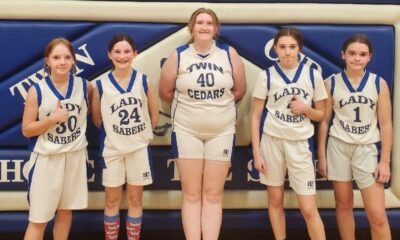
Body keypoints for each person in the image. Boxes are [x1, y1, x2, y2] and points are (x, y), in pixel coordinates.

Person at [159, 7, 246, 240]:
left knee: (214, 194)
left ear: (215, 28)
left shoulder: (229, 54)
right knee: (191, 193)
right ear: (192, 27)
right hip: (187, 130)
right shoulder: (178, 54)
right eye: (200, 23)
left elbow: (240, 89)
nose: (204, 27)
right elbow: (165, 91)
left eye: (209, 23)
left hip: (222, 131)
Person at [251, 27, 327, 240]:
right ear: (275, 49)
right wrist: (257, 152)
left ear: (299, 49)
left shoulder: (313, 75)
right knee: (275, 201)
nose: (287, 52)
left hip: (300, 144)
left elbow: (321, 115)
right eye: (282, 47)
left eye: (292, 47)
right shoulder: (266, 76)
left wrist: (305, 109)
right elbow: (255, 116)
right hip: (271, 142)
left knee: (309, 208)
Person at [317, 34, 392, 240]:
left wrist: (384, 161)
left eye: (362, 54)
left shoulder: (379, 84)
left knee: (377, 216)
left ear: (369, 57)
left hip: (366, 149)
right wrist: (322, 155)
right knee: (343, 205)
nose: (356, 58)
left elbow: (385, 124)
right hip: (338, 147)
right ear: (343, 55)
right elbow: (324, 121)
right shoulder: (331, 83)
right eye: (352, 53)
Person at [22, 37, 92, 240]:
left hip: (74, 157)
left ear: (73, 60)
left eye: (67, 57)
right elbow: (27, 130)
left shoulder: (85, 87)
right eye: (56, 57)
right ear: (47, 61)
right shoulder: (36, 91)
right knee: (38, 220)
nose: (62, 62)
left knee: (65, 212)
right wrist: (52, 119)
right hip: (47, 159)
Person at [92, 33, 159, 240]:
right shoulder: (100, 85)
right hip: (112, 150)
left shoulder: (144, 81)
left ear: (135, 54)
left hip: (138, 149)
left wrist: (138, 135)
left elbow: (153, 115)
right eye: (117, 52)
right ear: (109, 55)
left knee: (135, 200)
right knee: (111, 201)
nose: (122, 56)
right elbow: (97, 119)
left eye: (127, 51)